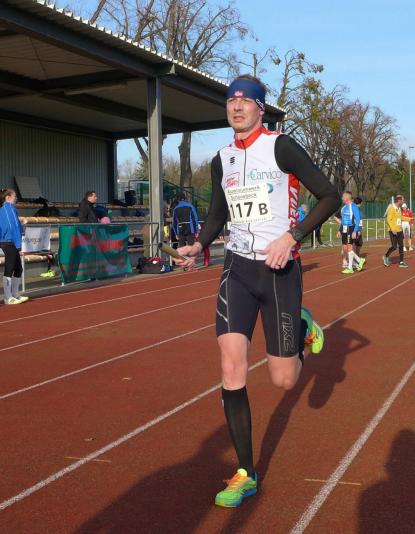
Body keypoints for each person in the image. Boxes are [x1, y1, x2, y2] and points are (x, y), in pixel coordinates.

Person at [173, 74, 340, 508]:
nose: (237, 105)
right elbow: (217, 214)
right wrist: (199, 245)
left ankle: (300, 327)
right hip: (238, 270)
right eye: (231, 100)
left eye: (245, 100)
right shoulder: (222, 159)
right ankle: (246, 472)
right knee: (232, 367)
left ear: (260, 109)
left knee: (284, 380)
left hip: (279, 269)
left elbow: (329, 195)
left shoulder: (281, 147)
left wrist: (293, 236)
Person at [0, 188, 28, 305]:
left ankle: (15, 294)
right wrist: (18, 246)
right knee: (10, 268)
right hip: (8, 242)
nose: (16, 198)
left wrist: (23, 226)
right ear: (8, 197)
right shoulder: (7, 209)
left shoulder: (10, 209)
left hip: (10, 241)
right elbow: (12, 228)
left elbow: (16, 226)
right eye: (14, 196)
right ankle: (8, 297)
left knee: (18, 268)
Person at [172, 195, 210, 267]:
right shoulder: (190, 206)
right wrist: (196, 231)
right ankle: (191, 263)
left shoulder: (175, 209)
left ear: (178, 200)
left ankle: (184, 264)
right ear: (185, 199)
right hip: (190, 228)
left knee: (182, 247)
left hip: (180, 229)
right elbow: (195, 219)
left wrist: (176, 233)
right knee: (191, 247)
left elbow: (174, 222)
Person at [338, 191, 365, 274]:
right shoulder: (343, 208)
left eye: (343, 196)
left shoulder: (353, 207)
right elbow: (343, 220)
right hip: (344, 229)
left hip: (351, 228)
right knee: (346, 247)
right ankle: (359, 260)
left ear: (347, 197)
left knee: (349, 247)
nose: (342, 198)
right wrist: (339, 230)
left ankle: (350, 268)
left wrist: (355, 231)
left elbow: (358, 220)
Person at [383, 195, 407, 267]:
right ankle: (386, 256)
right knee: (394, 246)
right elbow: (388, 220)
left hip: (399, 230)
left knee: (401, 245)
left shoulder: (399, 208)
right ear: (399, 201)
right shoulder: (391, 208)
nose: (403, 202)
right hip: (393, 231)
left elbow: (400, 217)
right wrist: (392, 229)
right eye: (403, 200)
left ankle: (401, 262)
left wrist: (410, 219)